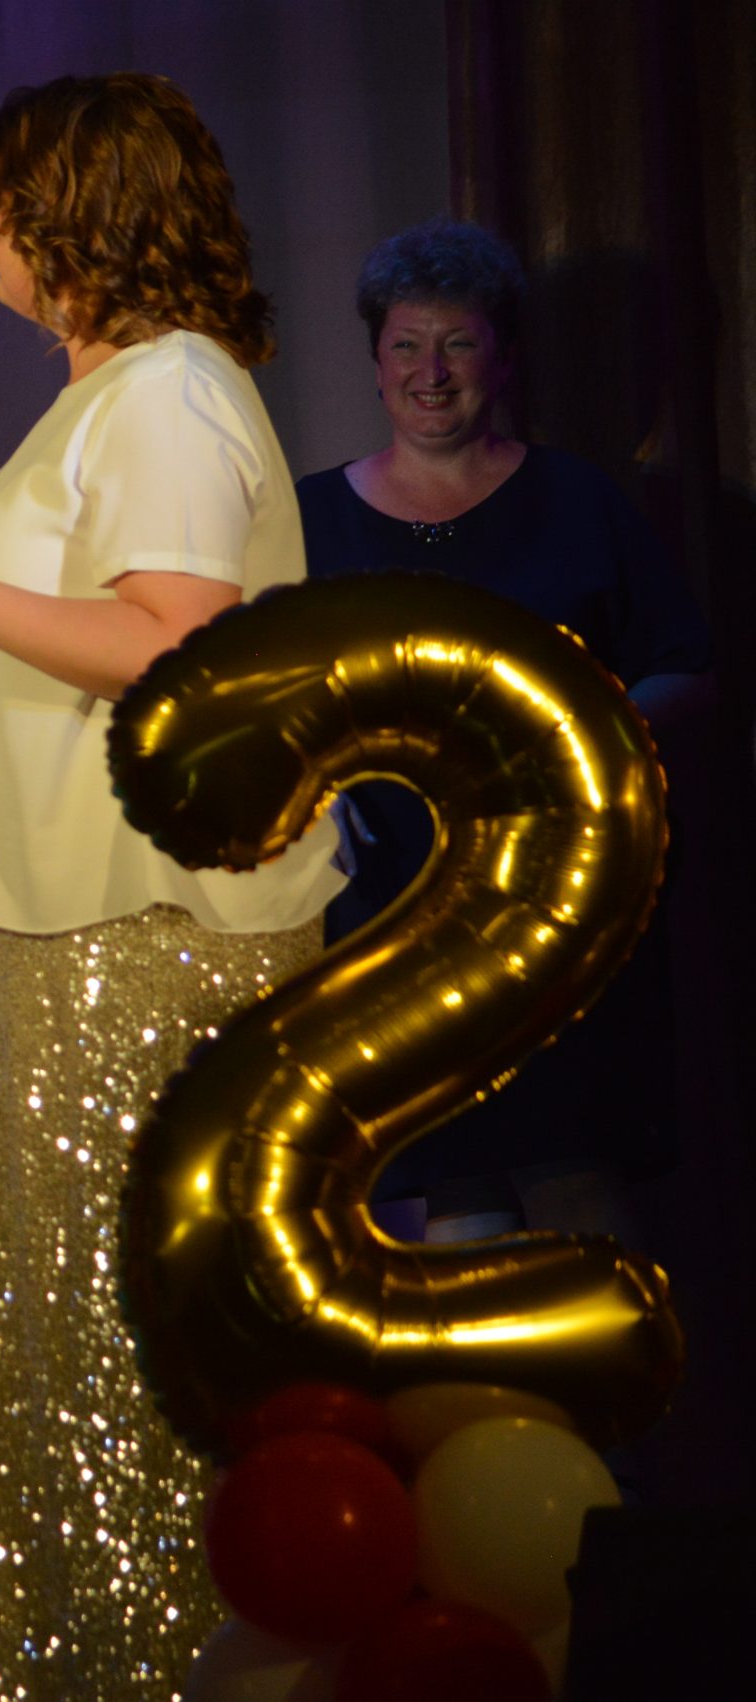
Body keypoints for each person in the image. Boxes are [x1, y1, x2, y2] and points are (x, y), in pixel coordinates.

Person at [0, 75, 345, 1696]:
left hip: (147, 923)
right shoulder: (114, 392)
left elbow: (176, 640)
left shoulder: (169, 389)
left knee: (136, 1332)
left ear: (83, 219)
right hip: (75, 913)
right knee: (75, 1327)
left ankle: (166, 1662)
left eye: (13, 199)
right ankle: (95, 1659)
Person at [294, 218, 711, 1243]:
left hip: (563, 895)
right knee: (453, 1191)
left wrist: (578, 736)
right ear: (375, 361)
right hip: (397, 910)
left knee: (575, 1185)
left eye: (458, 343)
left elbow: (689, 669)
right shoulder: (309, 520)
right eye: (405, 344)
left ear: (504, 359)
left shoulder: (580, 500)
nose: (430, 372)